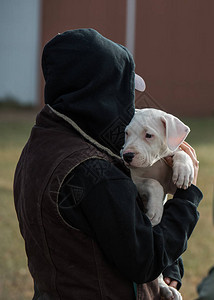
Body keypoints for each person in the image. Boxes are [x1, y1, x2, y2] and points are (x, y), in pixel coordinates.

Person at [13, 28, 202, 300]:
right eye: (124, 92)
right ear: (99, 92)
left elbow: (120, 229)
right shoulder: (95, 172)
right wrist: (186, 198)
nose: (129, 104)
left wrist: (170, 265)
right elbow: (144, 260)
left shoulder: (41, 144)